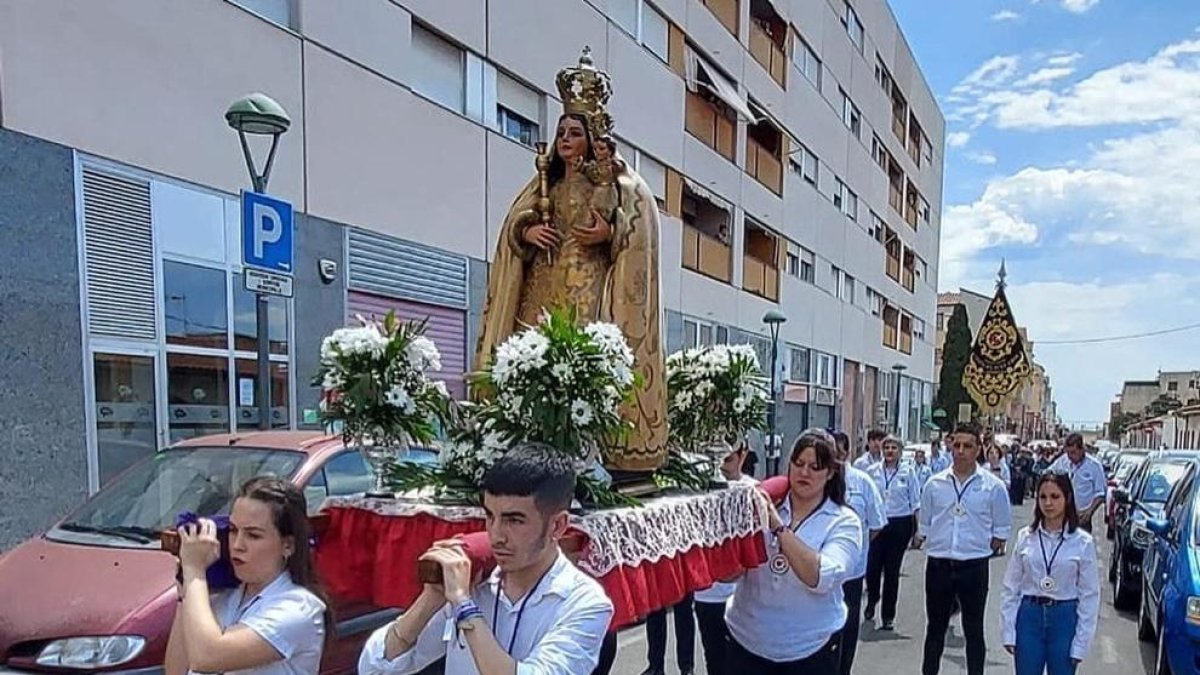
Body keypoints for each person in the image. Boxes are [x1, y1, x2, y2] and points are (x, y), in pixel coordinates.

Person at [475, 50, 667, 473]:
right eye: (561, 132)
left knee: (576, 372)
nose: (564, 139)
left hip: (587, 294)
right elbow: (514, 225)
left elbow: (640, 232)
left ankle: (582, 456)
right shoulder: (544, 184)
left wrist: (609, 233)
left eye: (574, 133)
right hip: (540, 288)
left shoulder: (618, 184)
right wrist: (525, 231)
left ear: (591, 138)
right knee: (533, 367)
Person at [358, 443, 614, 675]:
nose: (497, 535)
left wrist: (464, 605)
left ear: (557, 526)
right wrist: (431, 598)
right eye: (491, 516)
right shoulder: (475, 581)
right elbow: (376, 668)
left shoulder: (585, 602)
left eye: (514, 520)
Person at [724, 430, 862, 672]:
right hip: (746, 641)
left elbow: (820, 578)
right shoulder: (765, 502)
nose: (804, 472)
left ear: (830, 473)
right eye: (798, 464)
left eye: (815, 467)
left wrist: (778, 527)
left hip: (809, 648)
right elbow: (732, 572)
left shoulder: (844, 521)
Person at [165, 477, 330, 675]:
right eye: (233, 531)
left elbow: (207, 657)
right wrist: (186, 589)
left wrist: (195, 572)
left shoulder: (299, 608)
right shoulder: (221, 596)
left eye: (253, 535)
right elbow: (177, 671)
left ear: (288, 545)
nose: (237, 545)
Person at [913, 423, 1012, 675]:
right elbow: (925, 526)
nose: (960, 451)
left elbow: (1000, 534)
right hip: (939, 566)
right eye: (956, 445)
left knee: (973, 631)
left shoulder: (993, 487)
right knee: (934, 630)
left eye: (967, 446)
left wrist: (975, 548)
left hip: (973, 568)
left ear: (978, 449)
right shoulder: (934, 485)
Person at [1000, 473, 1101, 675]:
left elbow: (1089, 595)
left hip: (1064, 617)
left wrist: (1081, 642)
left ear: (1067, 499)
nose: (1048, 503)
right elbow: (1011, 587)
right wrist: (1008, 632)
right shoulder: (1026, 537)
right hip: (1030, 616)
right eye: (1043, 497)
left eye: (1055, 497)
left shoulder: (1082, 542)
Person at [692, 442, 758, 675]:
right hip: (708, 596)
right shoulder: (697, 492)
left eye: (727, 459)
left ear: (743, 456)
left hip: (742, 596)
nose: (720, 467)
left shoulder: (755, 492)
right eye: (714, 459)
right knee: (716, 662)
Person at [833, 430, 886, 674]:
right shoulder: (812, 480)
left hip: (852, 571)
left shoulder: (862, 482)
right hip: (815, 570)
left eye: (837, 450)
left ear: (845, 452)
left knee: (847, 624)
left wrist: (856, 545)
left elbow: (875, 524)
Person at [863, 435, 921, 630]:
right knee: (872, 569)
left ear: (900, 451)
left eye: (893, 448)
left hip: (899, 524)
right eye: (886, 447)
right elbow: (866, 499)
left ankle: (888, 615)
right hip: (877, 524)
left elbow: (915, 503)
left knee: (891, 571)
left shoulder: (908, 472)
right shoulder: (872, 472)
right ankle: (872, 598)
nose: (889, 451)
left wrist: (917, 531)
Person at [1046, 433, 1106, 533]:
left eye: (1073, 452)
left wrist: (1089, 512)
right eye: (1068, 453)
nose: (1070, 456)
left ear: (1082, 449)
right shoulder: (1063, 461)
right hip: (1061, 516)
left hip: (1081, 518)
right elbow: (1047, 474)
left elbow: (1100, 493)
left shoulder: (1094, 466)